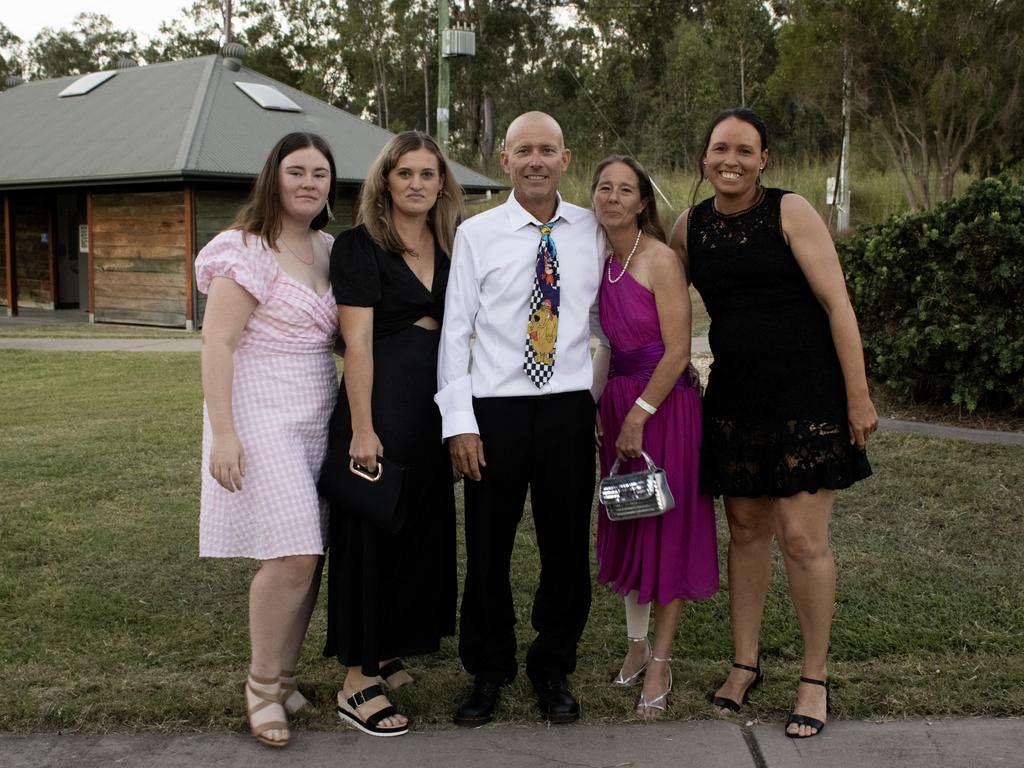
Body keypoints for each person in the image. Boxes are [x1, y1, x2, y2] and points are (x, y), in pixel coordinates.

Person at [668, 108, 878, 738]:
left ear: (764, 160)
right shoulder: (689, 228)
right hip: (734, 398)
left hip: (807, 396)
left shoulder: (792, 212)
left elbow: (837, 304)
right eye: (719, 149)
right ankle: (744, 663)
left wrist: (858, 396)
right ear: (703, 157)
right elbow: (656, 297)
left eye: (745, 150)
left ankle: (814, 676)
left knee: (803, 540)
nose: (730, 160)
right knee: (747, 531)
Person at [437, 111, 605, 726]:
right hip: (495, 412)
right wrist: (460, 423)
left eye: (547, 149)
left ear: (566, 158)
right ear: (504, 160)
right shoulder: (477, 235)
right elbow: (455, 334)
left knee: (565, 548)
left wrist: (603, 400)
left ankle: (554, 665)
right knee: (487, 547)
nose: (535, 160)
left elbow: (612, 323)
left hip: (566, 412)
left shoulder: (593, 229)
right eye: (522, 150)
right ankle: (488, 668)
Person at [196, 132, 339, 748]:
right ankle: (259, 686)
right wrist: (224, 434)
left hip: (318, 411)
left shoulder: (332, 248)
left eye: (320, 173)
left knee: (312, 554)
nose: (309, 182)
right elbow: (217, 343)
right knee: (294, 554)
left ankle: (284, 677)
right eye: (296, 171)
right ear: (273, 178)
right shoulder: (244, 248)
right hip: (258, 414)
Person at [322, 130, 464, 737]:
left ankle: (384, 652)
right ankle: (356, 681)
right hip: (379, 405)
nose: (415, 184)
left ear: (441, 185)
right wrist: (361, 427)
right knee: (369, 538)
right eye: (404, 173)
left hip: (432, 408)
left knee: (416, 531)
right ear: (385, 181)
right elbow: (355, 342)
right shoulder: (359, 247)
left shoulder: (452, 244)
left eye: (427, 175)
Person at [590, 155, 719, 718]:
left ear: (643, 202)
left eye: (625, 190)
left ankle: (662, 661)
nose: (613, 197)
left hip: (663, 406)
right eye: (604, 188)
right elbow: (604, 347)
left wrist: (639, 414)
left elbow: (678, 350)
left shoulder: (660, 259)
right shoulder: (600, 259)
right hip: (618, 403)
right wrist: (593, 408)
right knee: (631, 521)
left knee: (666, 530)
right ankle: (636, 645)